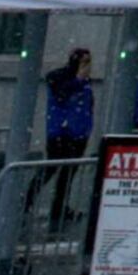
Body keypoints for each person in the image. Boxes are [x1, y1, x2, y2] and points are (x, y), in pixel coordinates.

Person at [43, 48, 96, 220]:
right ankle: (26, 202)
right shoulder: (61, 77)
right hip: (62, 131)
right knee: (51, 169)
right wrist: (78, 80)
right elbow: (61, 95)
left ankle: (59, 208)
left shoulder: (84, 83)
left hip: (77, 132)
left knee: (68, 174)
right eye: (84, 62)